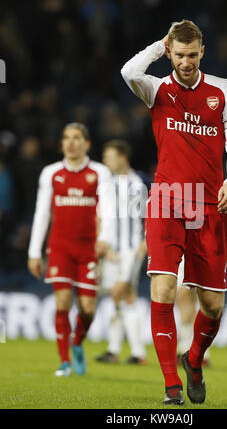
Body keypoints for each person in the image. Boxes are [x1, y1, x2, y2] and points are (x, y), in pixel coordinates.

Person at [121, 20, 227, 405]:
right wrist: (159, 45)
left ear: (202, 52)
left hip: (209, 204)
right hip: (167, 199)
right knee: (163, 288)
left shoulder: (224, 90)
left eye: (192, 55)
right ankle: (171, 387)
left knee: (212, 305)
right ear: (171, 52)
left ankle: (193, 360)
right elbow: (128, 71)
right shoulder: (156, 89)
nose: (187, 62)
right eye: (179, 54)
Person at [28, 123, 113, 377]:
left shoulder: (100, 172)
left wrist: (105, 238)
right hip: (60, 247)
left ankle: (77, 342)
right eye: (66, 138)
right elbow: (42, 213)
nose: (70, 142)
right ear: (62, 143)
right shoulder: (50, 173)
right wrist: (34, 252)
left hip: (88, 249)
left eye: (76, 138)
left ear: (86, 144)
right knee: (63, 303)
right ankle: (64, 361)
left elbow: (107, 210)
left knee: (88, 308)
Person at [95, 139, 147, 365]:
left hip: (131, 250)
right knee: (120, 299)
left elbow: (153, 218)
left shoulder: (140, 183)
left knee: (122, 294)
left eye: (110, 156)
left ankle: (136, 352)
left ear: (123, 157)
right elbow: (99, 217)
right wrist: (103, 245)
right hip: (111, 252)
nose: (106, 160)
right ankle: (116, 349)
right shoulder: (106, 184)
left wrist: (144, 247)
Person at [176, 258, 211, 367]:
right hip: (184, 252)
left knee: (201, 300)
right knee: (187, 300)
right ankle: (190, 350)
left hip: (201, 251)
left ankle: (194, 351)